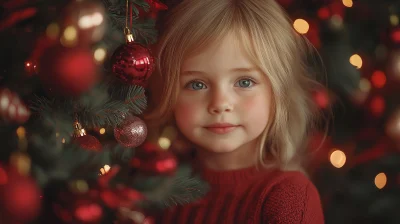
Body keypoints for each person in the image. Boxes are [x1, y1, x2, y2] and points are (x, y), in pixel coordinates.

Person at [145, 0, 327, 223]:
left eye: (244, 82)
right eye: (196, 84)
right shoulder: (157, 187)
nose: (220, 104)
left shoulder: (289, 197)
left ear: (278, 91)